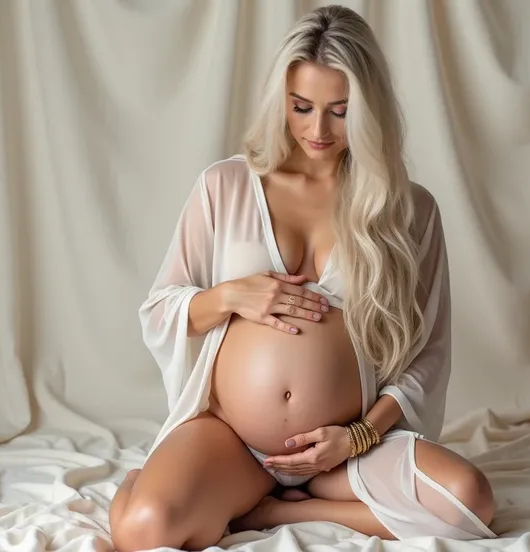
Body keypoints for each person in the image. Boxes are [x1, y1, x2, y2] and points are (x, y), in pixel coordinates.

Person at [108, 5, 497, 551]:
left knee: (469, 501)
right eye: (302, 107)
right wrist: (228, 296)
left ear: (369, 108)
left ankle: (279, 510)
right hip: (235, 443)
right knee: (143, 530)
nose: (318, 129)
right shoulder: (226, 186)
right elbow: (160, 309)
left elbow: (428, 351)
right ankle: (165, 481)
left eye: (340, 111)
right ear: (281, 100)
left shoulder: (408, 209)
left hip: (347, 447)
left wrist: (357, 437)